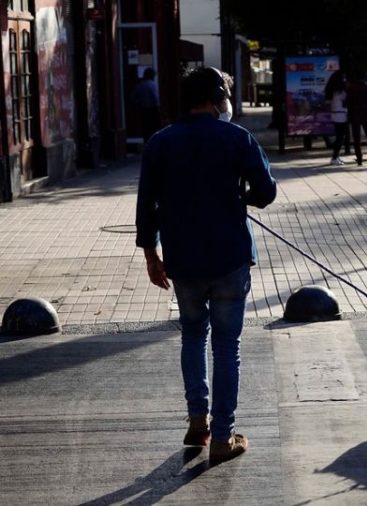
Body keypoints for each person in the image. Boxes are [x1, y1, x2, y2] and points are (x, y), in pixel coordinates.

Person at [135, 66, 277, 464]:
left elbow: (146, 205)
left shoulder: (160, 142)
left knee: (193, 336)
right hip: (230, 257)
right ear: (217, 98)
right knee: (226, 345)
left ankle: (198, 423)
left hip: (182, 260)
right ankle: (223, 436)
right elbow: (266, 192)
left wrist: (151, 254)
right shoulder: (237, 138)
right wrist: (239, 198)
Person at [131, 67, 162, 142]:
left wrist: (139, 102)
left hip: (143, 109)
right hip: (152, 109)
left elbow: (132, 98)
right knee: (154, 127)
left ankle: (146, 142)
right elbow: (155, 98)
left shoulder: (139, 85)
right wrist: (158, 108)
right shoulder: (152, 84)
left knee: (145, 128)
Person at [324, 70, 348, 166]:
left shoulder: (332, 91)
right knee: (340, 138)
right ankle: (334, 157)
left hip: (335, 114)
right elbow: (345, 101)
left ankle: (336, 156)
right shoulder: (340, 92)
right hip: (341, 115)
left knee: (339, 136)